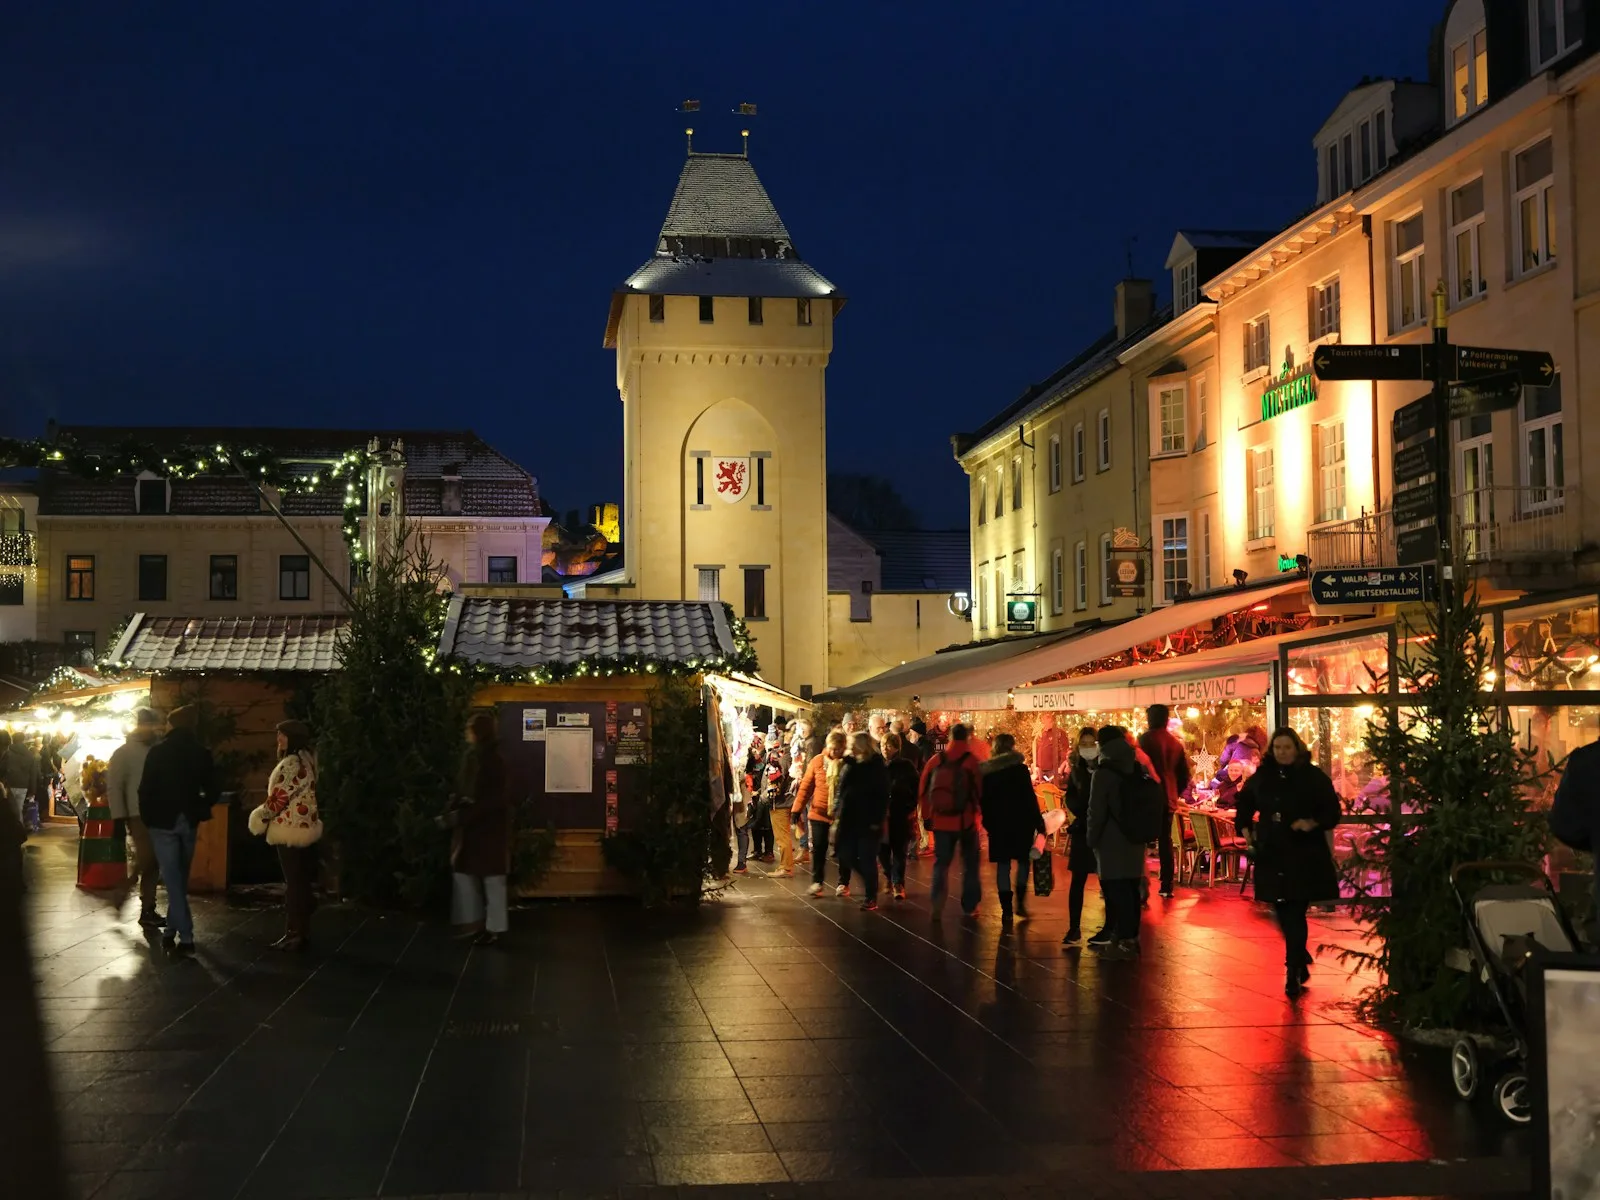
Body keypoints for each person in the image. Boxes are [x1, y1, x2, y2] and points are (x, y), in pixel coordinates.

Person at [1234, 727, 1343, 997]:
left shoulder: (1312, 777)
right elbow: (1246, 803)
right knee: (1280, 908)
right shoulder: (1264, 776)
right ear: (1273, 750)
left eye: (1287, 747)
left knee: (1294, 907)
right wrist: (1245, 829)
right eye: (1278, 748)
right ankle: (1297, 955)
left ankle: (1293, 969)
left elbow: (1331, 809)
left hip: (1303, 852)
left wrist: (1312, 822)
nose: (1283, 752)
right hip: (1272, 850)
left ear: (1296, 749)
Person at [137, 706, 219, 958]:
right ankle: (171, 931)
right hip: (189, 820)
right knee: (178, 879)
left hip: (162, 822)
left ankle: (186, 936)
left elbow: (145, 790)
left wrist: (148, 818)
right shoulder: (201, 753)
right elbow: (215, 787)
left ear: (173, 725)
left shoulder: (158, 752)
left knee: (173, 880)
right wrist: (200, 807)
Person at [248, 720, 321, 951]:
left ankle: (294, 933)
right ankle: (302, 931)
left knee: (294, 883)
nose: (278, 738)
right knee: (300, 881)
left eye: (282, 735)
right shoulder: (308, 760)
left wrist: (259, 817)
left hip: (289, 828)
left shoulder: (291, 763)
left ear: (293, 738)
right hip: (304, 827)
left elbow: (278, 798)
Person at [443, 712, 513, 945]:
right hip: (479, 829)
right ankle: (486, 926)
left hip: (484, 828)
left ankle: (492, 929)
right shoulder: (481, 759)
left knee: (490, 879)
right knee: (478, 876)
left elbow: (491, 799)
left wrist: (462, 813)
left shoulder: (490, 761)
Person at [1085, 726, 1147, 960]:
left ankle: (1124, 939)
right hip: (1135, 836)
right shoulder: (1136, 766)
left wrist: (1091, 837)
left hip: (1111, 839)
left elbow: (1096, 810)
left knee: (1115, 889)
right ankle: (1130, 937)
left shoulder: (1103, 773)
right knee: (1131, 888)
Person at [918, 722, 985, 920]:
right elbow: (981, 792)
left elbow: (923, 788)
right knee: (970, 865)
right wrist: (980, 817)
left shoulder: (937, 760)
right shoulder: (972, 761)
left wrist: (927, 817)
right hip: (966, 822)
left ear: (950, 738)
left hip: (941, 822)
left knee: (941, 864)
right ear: (967, 738)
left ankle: (937, 903)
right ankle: (970, 906)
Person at [980, 733, 1045, 929]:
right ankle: (1020, 903)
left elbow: (983, 801)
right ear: (1012, 747)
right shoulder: (1020, 770)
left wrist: (988, 822)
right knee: (1024, 861)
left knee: (1003, 865)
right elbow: (1029, 797)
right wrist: (1038, 822)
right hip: (1021, 823)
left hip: (999, 824)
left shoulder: (988, 772)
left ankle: (1006, 909)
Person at [106, 709, 163, 928]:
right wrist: (118, 818)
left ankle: (147, 907)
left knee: (152, 861)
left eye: (151, 724)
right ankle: (127, 891)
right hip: (136, 813)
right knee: (148, 857)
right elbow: (115, 786)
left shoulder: (158, 750)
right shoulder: (124, 753)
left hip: (158, 812)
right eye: (145, 724)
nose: (149, 729)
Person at [1138, 704, 1191, 899]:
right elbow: (1185, 775)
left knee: (1142, 838)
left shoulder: (1145, 739)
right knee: (1165, 840)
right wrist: (1175, 791)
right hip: (1169, 797)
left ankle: (1141, 882)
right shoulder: (1175, 744)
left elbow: (1138, 768)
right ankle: (1167, 884)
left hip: (1148, 797)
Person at [834, 732, 888, 910]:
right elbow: (841, 789)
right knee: (845, 853)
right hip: (849, 819)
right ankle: (869, 881)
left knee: (866, 858)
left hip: (868, 820)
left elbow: (881, 796)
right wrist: (837, 810)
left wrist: (877, 819)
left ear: (861, 745)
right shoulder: (850, 764)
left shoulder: (876, 766)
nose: (849, 746)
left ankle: (871, 897)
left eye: (852, 743)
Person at [794, 730, 847, 897]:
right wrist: (797, 809)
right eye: (833, 749)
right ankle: (817, 882)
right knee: (818, 848)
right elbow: (806, 787)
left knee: (843, 850)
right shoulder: (817, 761)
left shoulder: (848, 764)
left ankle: (844, 882)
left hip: (841, 815)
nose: (835, 752)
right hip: (818, 812)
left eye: (839, 749)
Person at [1061, 727, 1099, 945]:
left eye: (1091, 743)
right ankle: (1074, 927)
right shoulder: (1077, 770)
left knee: (1108, 880)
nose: (1087, 748)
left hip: (1102, 830)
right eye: (1083, 744)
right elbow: (1072, 799)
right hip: (1083, 829)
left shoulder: (1105, 768)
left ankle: (1110, 928)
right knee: (1078, 880)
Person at [880, 732, 920, 900]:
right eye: (883, 746)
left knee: (898, 850)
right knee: (882, 850)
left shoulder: (906, 766)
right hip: (881, 814)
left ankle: (898, 882)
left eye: (888, 746)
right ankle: (889, 876)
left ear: (897, 747)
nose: (885, 749)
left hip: (899, 813)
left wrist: (910, 805)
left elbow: (916, 787)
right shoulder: (877, 765)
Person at [1213, 726, 1265, 809]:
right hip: (1243, 779)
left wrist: (1226, 766)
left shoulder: (1235, 743)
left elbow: (1223, 759)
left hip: (1234, 775)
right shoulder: (1256, 750)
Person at [1, 730, 38, 835]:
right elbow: (33, 773)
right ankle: (19, 832)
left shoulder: (8, 752)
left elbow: (3, 767)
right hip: (23, 785)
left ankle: (15, 833)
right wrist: (33, 790)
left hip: (9, 784)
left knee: (10, 809)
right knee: (19, 809)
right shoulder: (30, 754)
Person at [1033, 713, 1071, 783]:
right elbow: (1037, 750)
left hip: (1053, 771)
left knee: (1053, 790)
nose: (1044, 719)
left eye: (1048, 717)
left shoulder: (1059, 733)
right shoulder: (1040, 734)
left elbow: (1064, 751)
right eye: (1043, 717)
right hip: (1041, 771)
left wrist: (1060, 769)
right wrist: (1037, 767)